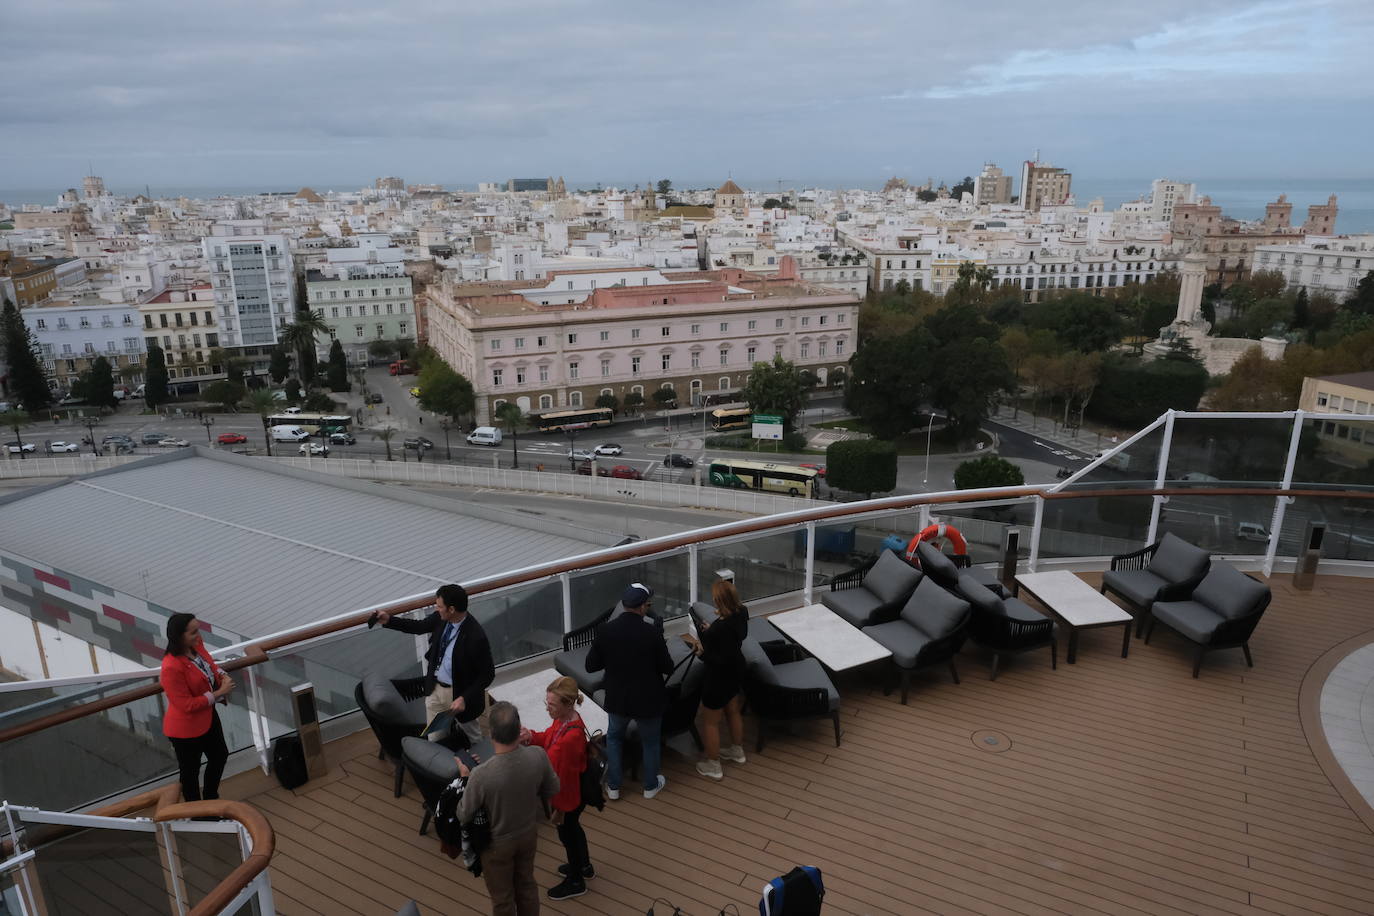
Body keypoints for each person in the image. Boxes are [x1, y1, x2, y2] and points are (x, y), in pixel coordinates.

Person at [458, 701, 559, 916]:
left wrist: (465, 779)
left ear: (492, 733)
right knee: (527, 886)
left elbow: (463, 813)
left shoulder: (481, 775)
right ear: (518, 728)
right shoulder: (538, 755)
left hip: (497, 844)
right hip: (527, 833)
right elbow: (553, 787)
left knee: (503, 899)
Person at [585, 583, 674, 800]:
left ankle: (614, 787)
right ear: (643, 607)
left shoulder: (606, 630)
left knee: (614, 739)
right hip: (648, 699)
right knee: (650, 741)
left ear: (624, 605)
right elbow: (667, 667)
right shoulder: (652, 633)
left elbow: (591, 666)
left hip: (618, 698)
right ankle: (650, 786)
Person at [376, 584, 494, 746]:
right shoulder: (442, 618)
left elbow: (487, 675)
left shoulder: (476, 637)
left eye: (439, 606)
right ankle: (439, 765)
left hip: (459, 696)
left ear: (451, 609)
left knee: (473, 739)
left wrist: (464, 698)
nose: (436, 609)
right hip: (435, 690)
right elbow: (418, 627)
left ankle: (480, 767)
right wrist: (389, 620)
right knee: (435, 738)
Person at [522, 677, 592, 900]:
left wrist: (559, 809)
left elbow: (564, 779)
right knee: (575, 829)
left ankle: (575, 881)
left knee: (568, 835)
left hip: (568, 796)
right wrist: (531, 736)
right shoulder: (566, 720)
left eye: (552, 705)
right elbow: (549, 740)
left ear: (568, 703)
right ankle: (584, 866)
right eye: (547, 703)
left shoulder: (571, 737)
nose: (547, 708)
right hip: (574, 791)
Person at [160, 613, 235, 802]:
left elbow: (208, 664)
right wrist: (219, 693)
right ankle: (196, 811)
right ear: (179, 636)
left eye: (197, 630)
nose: (198, 635)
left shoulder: (196, 644)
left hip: (207, 717)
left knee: (219, 756)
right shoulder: (171, 667)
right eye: (193, 632)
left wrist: (221, 674)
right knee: (190, 773)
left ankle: (211, 798)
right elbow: (186, 705)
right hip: (185, 730)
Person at [680, 579, 749, 780]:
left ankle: (713, 765)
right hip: (736, 669)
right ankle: (738, 751)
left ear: (719, 601)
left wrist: (701, 652)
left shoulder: (719, 629)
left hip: (718, 677)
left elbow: (716, 658)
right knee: (733, 710)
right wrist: (711, 631)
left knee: (711, 721)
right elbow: (729, 641)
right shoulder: (741, 614)